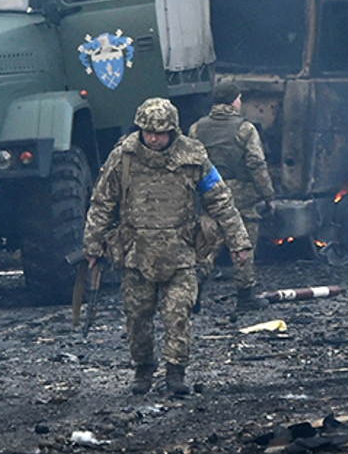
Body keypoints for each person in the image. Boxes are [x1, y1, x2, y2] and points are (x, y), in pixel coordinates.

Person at [85, 97, 251, 397]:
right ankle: (143, 369)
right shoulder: (123, 156)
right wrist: (93, 246)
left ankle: (176, 372)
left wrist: (239, 242)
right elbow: (102, 203)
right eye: (148, 131)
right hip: (137, 252)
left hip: (181, 251)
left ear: (173, 131)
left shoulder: (193, 156)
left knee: (178, 314)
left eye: (160, 133)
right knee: (137, 316)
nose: (153, 138)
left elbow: (220, 200)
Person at [189, 78, 277, 310]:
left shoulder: (197, 128)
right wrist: (268, 195)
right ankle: (245, 296)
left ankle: (193, 291)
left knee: (209, 243)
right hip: (241, 196)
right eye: (239, 98)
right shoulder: (245, 129)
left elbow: (190, 163)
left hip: (208, 193)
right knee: (244, 242)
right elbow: (256, 164)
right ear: (233, 101)